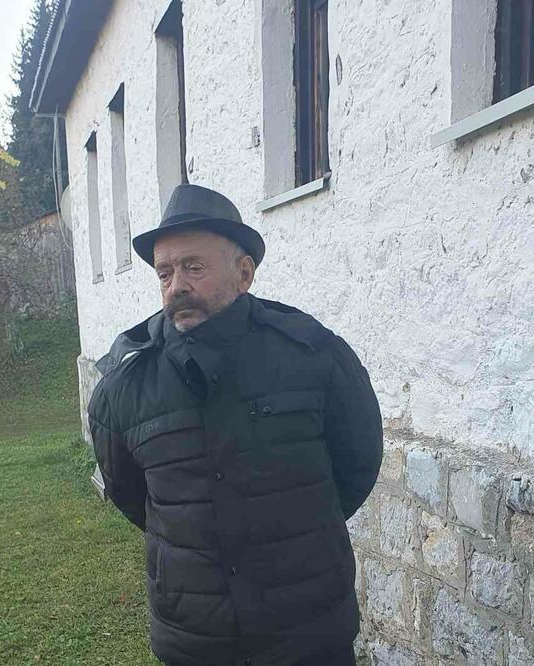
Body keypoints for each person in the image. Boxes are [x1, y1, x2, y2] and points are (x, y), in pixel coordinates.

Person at [88, 183, 383, 666]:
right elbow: (132, 494)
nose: (176, 286)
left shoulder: (314, 356)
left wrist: (293, 533)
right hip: (197, 638)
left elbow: (357, 464)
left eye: (194, 267)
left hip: (307, 629)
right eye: (165, 272)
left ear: (243, 274)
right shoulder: (127, 384)